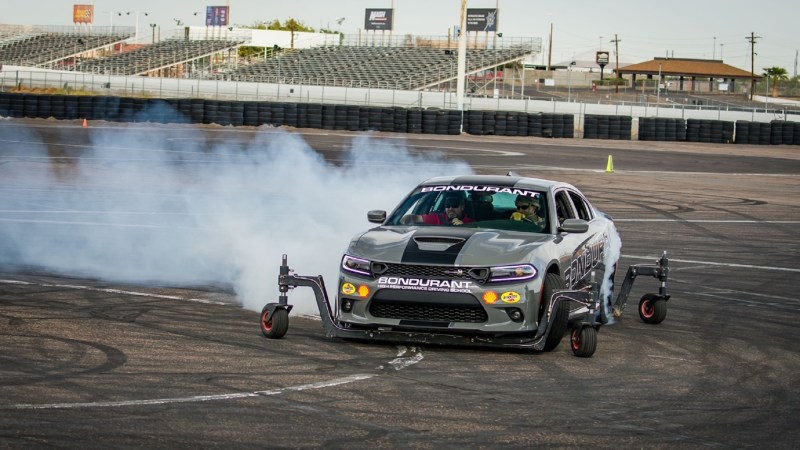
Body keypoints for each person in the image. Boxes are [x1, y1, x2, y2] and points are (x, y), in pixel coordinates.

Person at [403, 192, 474, 226]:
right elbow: (413, 218)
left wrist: (464, 226)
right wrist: (403, 220)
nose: (450, 208)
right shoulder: (436, 218)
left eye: (454, 205)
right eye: (447, 205)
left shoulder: (471, 223)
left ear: (462, 207)